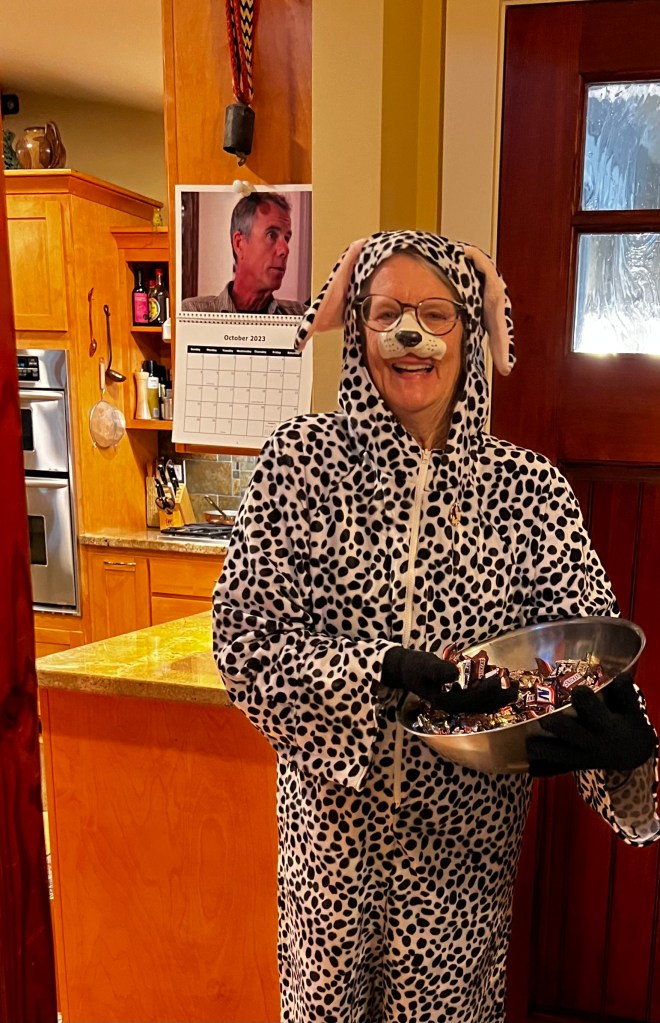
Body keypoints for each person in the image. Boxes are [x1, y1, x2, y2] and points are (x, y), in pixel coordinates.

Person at [212, 230, 659, 1023]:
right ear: (357, 328)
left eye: (434, 313)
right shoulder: (298, 464)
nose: (409, 335)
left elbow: (582, 660)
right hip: (329, 856)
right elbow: (244, 642)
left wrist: (628, 752)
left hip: (462, 858)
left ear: (471, 329)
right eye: (387, 313)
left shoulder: (530, 492)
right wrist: (376, 671)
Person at [181, 192, 307, 316]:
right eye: (271, 235)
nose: (285, 249)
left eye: (286, 238)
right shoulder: (192, 314)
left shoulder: (301, 316)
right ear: (239, 244)